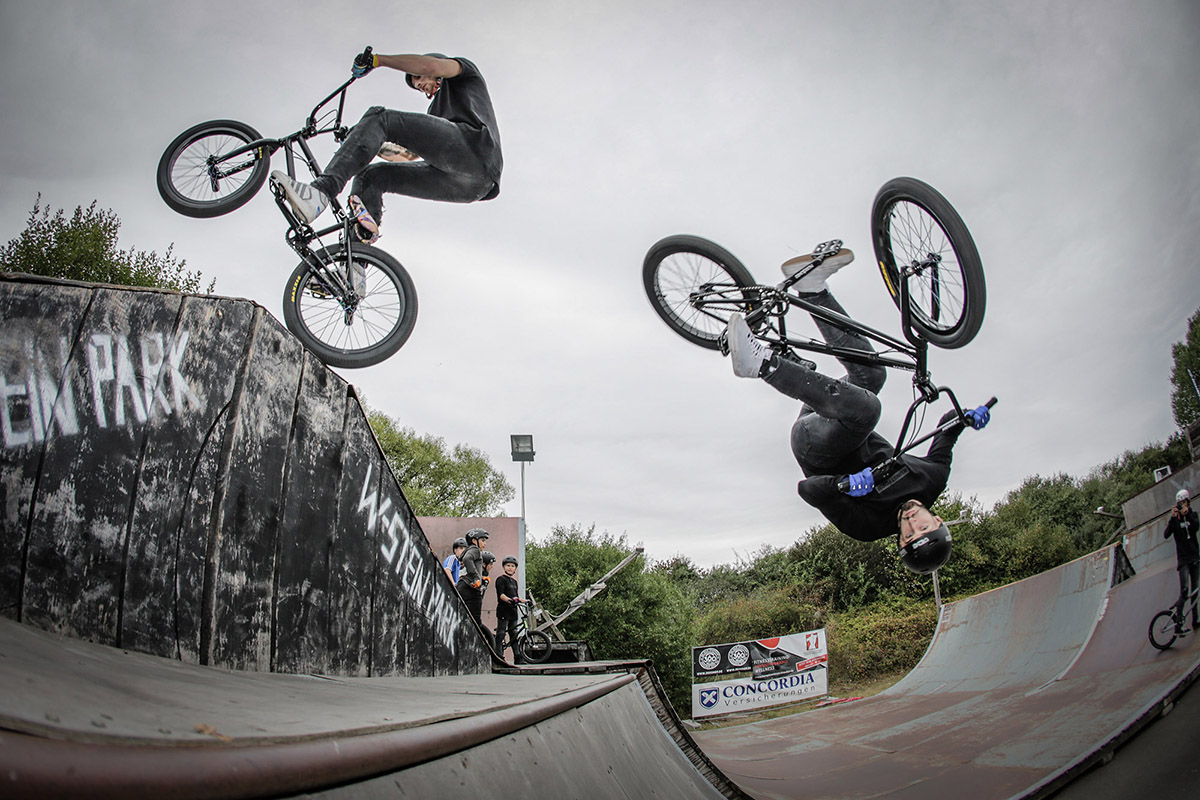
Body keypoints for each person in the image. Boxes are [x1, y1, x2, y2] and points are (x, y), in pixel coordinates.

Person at [722, 249, 989, 574]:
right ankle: (812, 289)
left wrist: (844, 485)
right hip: (840, 415)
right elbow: (947, 430)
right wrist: (965, 418)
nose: (910, 523)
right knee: (873, 376)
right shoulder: (933, 479)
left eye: (908, 535)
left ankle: (762, 365)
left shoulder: (868, 526)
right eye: (922, 527)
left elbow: (808, 490)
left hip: (815, 446)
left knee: (868, 409)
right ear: (938, 520)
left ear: (900, 541)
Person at [270, 50, 502, 244]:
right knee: (371, 176)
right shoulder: (435, 113)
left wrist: (378, 60)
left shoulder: (462, 73)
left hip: (475, 150)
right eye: (415, 85)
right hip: (470, 187)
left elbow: (430, 65)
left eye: (419, 78)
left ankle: (320, 192)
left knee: (381, 117)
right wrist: (361, 139)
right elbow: (407, 156)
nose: (419, 85)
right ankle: (355, 265)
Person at [1164, 488, 1199, 633]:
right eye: (1180, 503)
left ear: (1188, 503)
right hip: (1184, 560)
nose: (1182, 506)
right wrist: (1172, 518)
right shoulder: (1175, 520)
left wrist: (1188, 514)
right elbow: (1166, 535)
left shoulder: (1193, 515)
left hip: (1195, 558)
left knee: (1195, 590)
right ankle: (1178, 623)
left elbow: (1196, 527)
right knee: (1184, 591)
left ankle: (1195, 619)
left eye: (1184, 503)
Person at [456, 528, 489, 626]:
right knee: (475, 622)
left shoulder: (466, 551)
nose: (485, 544)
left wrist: (481, 578)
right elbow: (467, 559)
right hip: (471, 589)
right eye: (483, 540)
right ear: (474, 541)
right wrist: (476, 577)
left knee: (464, 619)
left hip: (462, 586)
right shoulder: (475, 549)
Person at [494, 555, 525, 658]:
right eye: (508, 565)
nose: (510, 568)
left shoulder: (514, 582)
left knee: (514, 634)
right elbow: (501, 595)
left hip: (513, 611)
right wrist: (509, 600)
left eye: (512, 566)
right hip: (503, 610)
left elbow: (516, 597)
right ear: (504, 567)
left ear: (515, 568)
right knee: (501, 633)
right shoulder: (500, 579)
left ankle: (517, 657)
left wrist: (525, 601)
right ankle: (498, 655)